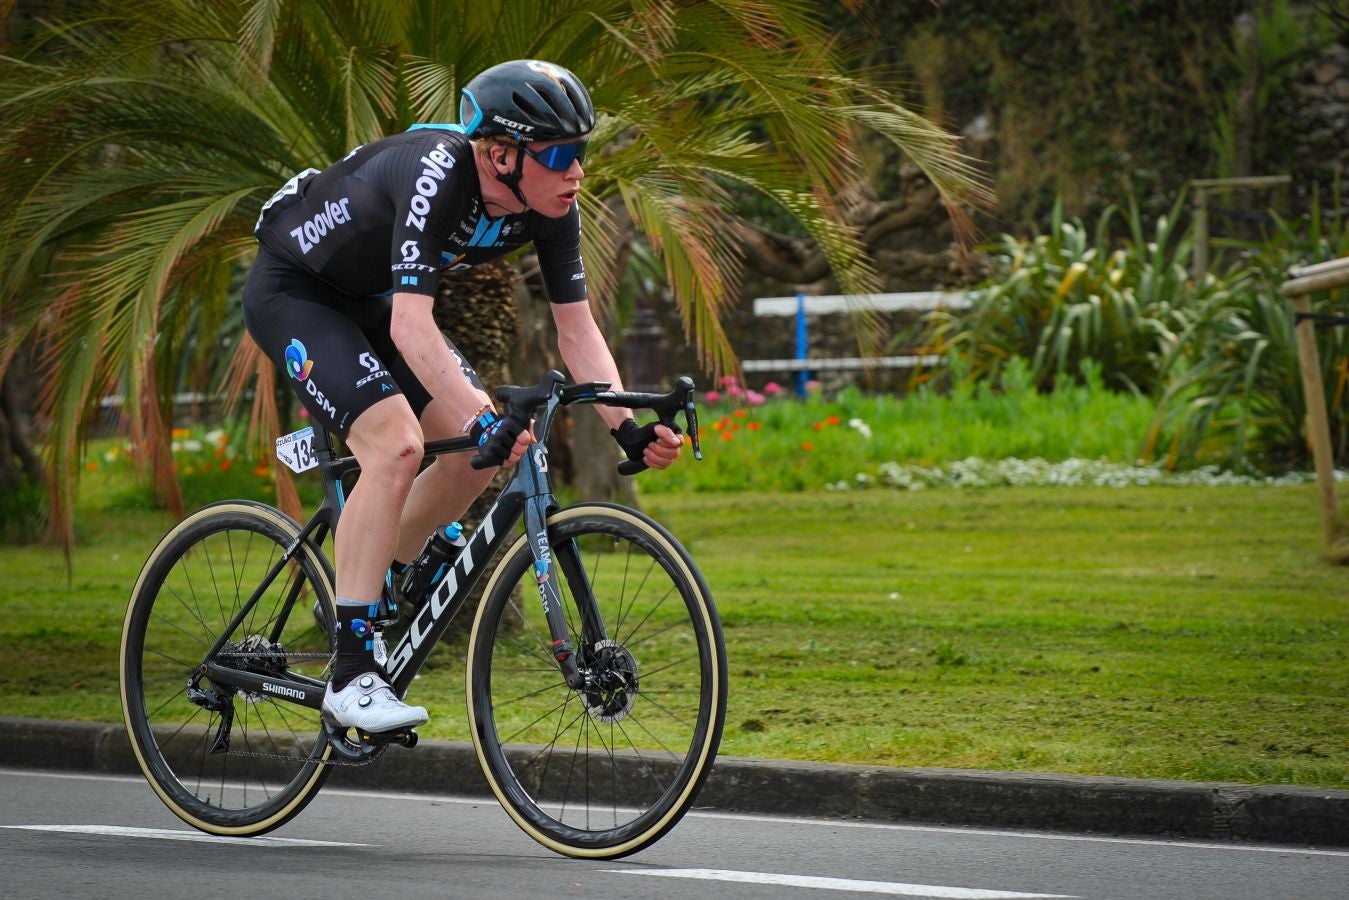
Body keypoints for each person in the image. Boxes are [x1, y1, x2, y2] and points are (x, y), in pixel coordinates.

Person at [243, 60, 684, 735]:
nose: (577, 172)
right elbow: (411, 326)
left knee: (474, 459)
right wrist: (481, 417)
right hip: (295, 292)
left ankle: (373, 583)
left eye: (581, 152)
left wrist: (624, 425)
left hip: (369, 301)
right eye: (559, 154)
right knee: (395, 446)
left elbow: (577, 330)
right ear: (500, 154)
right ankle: (351, 673)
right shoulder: (437, 172)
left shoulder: (548, 205)